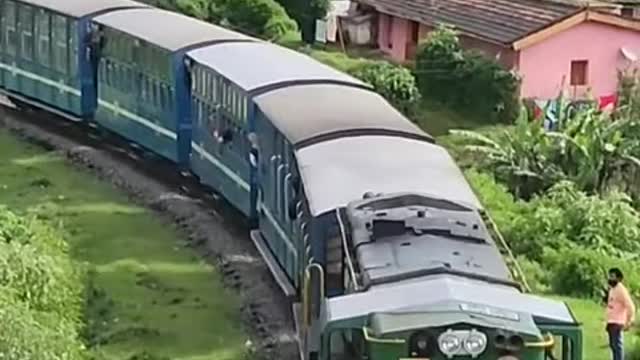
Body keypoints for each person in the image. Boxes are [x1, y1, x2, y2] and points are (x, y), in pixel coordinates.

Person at [606, 267, 636, 360]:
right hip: (611, 321)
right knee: (613, 346)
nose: (610, 279)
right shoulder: (612, 289)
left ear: (618, 278)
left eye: (613, 277)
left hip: (618, 322)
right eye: (610, 276)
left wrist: (629, 320)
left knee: (617, 346)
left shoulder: (621, 290)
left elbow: (630, 306)